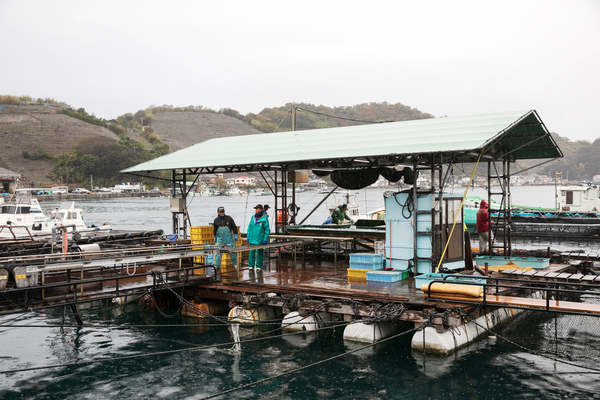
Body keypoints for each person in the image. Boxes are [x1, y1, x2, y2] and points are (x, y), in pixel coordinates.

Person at [247, 204, 270, 270]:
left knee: (259, 252)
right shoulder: (253, 217)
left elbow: (267, 229)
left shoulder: (264, 219)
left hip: (260, 239)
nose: (256, 210)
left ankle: (258, 266)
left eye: (257, 209)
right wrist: (248, 236)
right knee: (251, 252)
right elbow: (249, 227)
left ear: (260, 209)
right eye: (256, 209)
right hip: (252, 238)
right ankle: (251, 265)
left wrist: (265, 239)